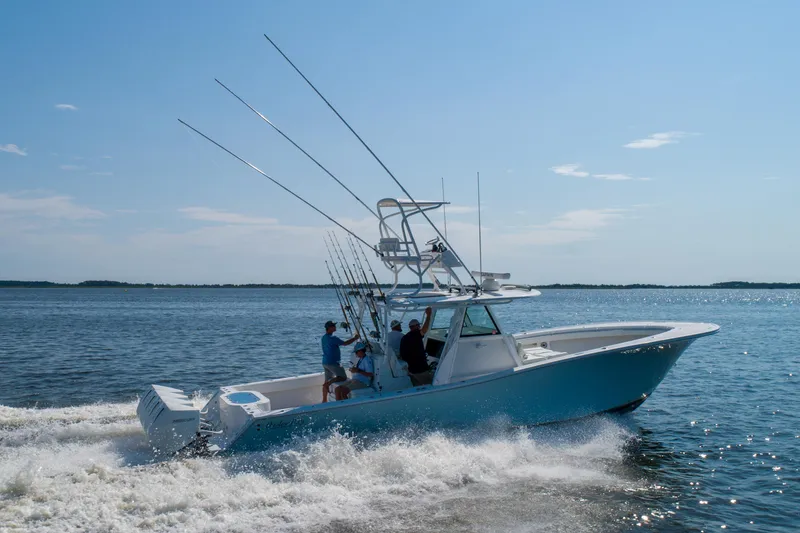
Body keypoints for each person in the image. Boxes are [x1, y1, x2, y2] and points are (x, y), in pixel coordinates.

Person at [321, 320, 359, 402]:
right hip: (333, 363)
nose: (335, 327)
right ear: (330, 328)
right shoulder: (333, 338)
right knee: (343, 377)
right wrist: (355, 338)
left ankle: (324, 400)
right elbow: (345, 343)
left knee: (326, 380)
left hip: (325, 362)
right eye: (333, 326)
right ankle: (329, 382)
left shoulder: (324, 337)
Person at [399, 306, 434, 386]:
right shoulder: (415, 335)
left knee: (417, 387)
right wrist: (428, 315)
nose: (419, 327)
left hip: (411, 369)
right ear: (415, 326)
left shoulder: (404, 337)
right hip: (420, 369)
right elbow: (424, 330)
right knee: (430, 385)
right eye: (418, 326)